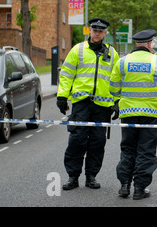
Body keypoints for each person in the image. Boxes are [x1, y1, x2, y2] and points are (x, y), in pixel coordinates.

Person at [56, 18, 119, 191]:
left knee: (98, 142)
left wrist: (117, 101)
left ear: (105, 33)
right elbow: (67, 74)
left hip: (102, 106)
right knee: (77, 140)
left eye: (100, 31)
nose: (97, 33)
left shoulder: (112, 53)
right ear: (89, 31)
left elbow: (116, 79)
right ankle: (73, 177)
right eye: (94, 30)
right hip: (81, 103)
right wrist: (62, 96)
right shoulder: (78, 50)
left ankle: (91, 176)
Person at [110, 29, 157, 199]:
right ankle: (139, 189)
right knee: (146, 151)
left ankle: (124, 185)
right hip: (150, 115)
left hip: (128, 114)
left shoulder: (122, 62)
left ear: (135, 44)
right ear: (150, 44)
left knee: (128, 149)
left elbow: (113, 88)